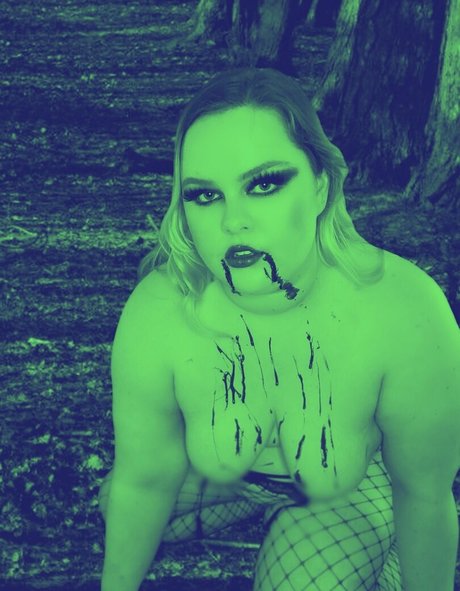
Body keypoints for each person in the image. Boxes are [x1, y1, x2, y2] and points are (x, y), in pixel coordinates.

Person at [99, 67, 459, 591]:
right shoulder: (159, 309)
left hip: (348, 488)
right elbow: (144, 480)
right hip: (231, 477)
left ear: (320, 186)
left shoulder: (404, 308)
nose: (233, 221)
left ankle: (372, 556)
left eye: (264, 184)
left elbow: (424, 495)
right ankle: (267, 510)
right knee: (116, 503)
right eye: (205, 195)